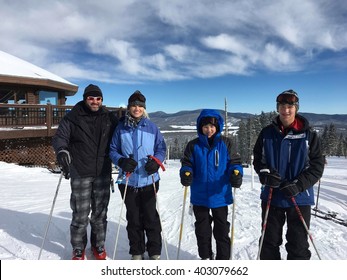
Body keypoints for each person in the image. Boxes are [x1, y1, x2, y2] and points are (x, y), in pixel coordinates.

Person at [253, 89, 325, 260]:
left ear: (296, 108)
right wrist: (265, 175)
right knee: (268, 245)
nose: (286, 110)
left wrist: (299, 184)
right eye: (282, 106)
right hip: (272, 195)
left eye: (290, 106)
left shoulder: (309, 134)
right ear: (277, 108)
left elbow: (317, 165)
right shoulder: (266, 133)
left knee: (298, 247)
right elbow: (258, 160)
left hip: (299, 197)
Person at [52, 84, 118, 260]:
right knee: (80, 214)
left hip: (102, 171)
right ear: (85, 98)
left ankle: (98, 244)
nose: (95, 102)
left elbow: (122, 136)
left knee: (100, 214)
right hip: (80, 171)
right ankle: (79, 247)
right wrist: (62, 151)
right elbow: (60, 138)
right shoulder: (73, 117)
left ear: (102, 100)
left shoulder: (109, 117)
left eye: (98, 99)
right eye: (91, 98)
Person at [109, 90, 166, 260]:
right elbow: (112, 150)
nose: (137, 108)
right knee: (133, 219)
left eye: (140, 106)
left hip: (149, 180)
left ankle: (154, 251)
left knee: (151, 217)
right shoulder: (120, 128)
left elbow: (161, 148)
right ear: (129, 107)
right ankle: (137, 251)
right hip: (128, 180)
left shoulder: (152, 127)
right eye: (134, 105)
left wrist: (156, 162)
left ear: (144, 108)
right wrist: (121, 161)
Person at [180, 109, 243, 260]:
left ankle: (223, 260)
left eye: (212, 127)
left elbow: (235, 163)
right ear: (200, 127)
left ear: (218, 127)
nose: (209, 130)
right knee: (202, 231)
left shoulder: (226, 143)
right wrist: (186, 173)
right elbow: (187, 163)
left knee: (221, 232)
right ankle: (206, 257)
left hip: (220, 195)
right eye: (205, 127)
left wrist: (236, 173)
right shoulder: (193, 145)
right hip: (199, 196)